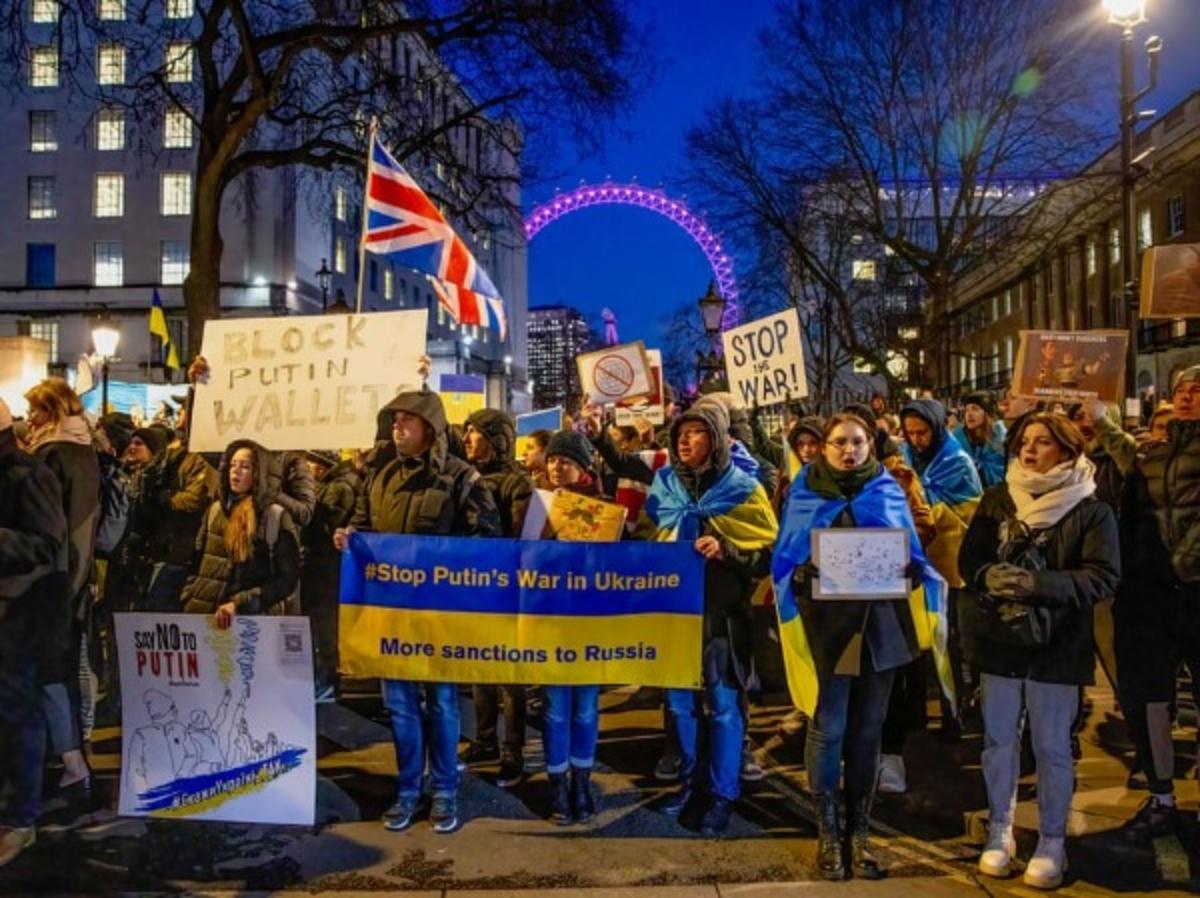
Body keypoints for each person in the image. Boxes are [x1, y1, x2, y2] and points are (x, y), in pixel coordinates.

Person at [771, 413, 946, 880]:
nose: (848, 450)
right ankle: (828, 833)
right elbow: (784, 558)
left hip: (881, 626)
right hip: (826, 626)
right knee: (828, 726)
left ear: (870, 444)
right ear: (823, 448)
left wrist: (911, 568)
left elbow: (913, 548)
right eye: (838, 443)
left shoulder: (887, 489)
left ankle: (861, 834)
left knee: (869, 729)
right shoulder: (805, 492)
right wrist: (807, 573)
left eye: (856, 442)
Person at [959, 413, 1118, 889]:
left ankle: (1053, 841)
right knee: (999, 741)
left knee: (1051, 747)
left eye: (1042, 443)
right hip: (1001, 641)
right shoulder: (998, 497)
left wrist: (1037, 584)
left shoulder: (1091, 508)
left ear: (1067, 451)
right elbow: (971, 558)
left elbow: (1103, 576)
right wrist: (988, 576)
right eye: (1024, 442)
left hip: (1057, 643)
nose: (1029, 451)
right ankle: (1000, 832)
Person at [334, 389, 500, 835]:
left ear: (429, 428)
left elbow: (486, 540)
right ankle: (409, 789)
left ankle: (445, 790)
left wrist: (444, 565)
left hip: (439, 617)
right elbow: (364, 524)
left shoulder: (462, 478)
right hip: (391, 615)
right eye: (394, 421)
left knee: (443, 703)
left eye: (407, 421)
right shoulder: (379, 476)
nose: (398, 428)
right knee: (402, 707)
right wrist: (350, 537)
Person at [644, 401, 778, 836]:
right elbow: (650, 537)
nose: (685, 440)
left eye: (697, 432)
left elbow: (768, 555)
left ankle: (722, 794)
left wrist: (726, 549)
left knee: (722, 706)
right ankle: (689, 783)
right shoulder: (663, 485)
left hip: (722, 615)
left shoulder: (743, 488)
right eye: (681, 432)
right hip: (674, 614)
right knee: (680, 705)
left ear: (717, 441)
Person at [1114, 365, 1200, 843]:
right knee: (1148, 698)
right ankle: (1160, 795)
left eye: (1197, 391)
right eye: (1181, 390)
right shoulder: (1150, 454)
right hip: (1149, 595)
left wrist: (1181, 561)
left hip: (1192, 588)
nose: (1187, 397)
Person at [24, 377, 100, 802]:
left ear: (51, 412)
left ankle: (69, 762)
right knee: (66, 671)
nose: (30, 418)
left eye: (35, 410)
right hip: (76, 581)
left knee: (46, 674)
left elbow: (46, 529)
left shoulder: (51, 456)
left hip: (50, 584)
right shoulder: (85, 452)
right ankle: (75, 758)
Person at [0, 398, 67, 867]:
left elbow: (47, 545)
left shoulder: (29, 474)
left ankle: (21, 820)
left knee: (17, 716)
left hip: (15, 618)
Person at [900, 399, 983, 734]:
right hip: (915, 562)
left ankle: (955, 713)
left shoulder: (958, 463)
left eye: (922, 432)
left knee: (950, 641)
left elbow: (971, 515)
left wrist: (933, 510)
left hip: (950, 566)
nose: (917, 439)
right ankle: (916, 712)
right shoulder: (903, 462)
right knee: (916, 640)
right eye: (910, 433)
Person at [538, 430, 610, 824]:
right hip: (550, 622)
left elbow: (621, 565)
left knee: (584, 708)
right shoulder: (536, 506)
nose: (555, 466)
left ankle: (582, 782)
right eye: (551, 460)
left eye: (564, 460)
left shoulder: (602, 507)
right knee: (555, 711)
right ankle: (557, 788)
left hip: (589, 622)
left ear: (582, 468)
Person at [460, 409, 533, 788]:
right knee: (479, 669)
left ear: (497, 439)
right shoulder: (462, 477)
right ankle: (485, 739)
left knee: (509, 677)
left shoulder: (516, 484)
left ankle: (513, 750)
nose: (468, 439)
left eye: (476, 433)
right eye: (466, 432)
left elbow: (520, 536)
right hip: (474, 588)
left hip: (505, 589)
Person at [179, 440, 301, 628]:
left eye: (244, 467)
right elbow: (196, 561)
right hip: (204, 617)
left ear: (259, 474)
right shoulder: (214, 511)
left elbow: (286, 579)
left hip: (251, 624)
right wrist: (189, 594)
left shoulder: (274, 517)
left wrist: (242, 603)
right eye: (232, 466)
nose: (235, 471)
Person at [124, 429, 218, 612]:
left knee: (160, 604)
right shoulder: (145, 467)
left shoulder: (192, 462)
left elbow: (196, 499)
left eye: (139, 443)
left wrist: (166, 498)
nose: (132, 448)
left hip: (176, 548)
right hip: (150, 548)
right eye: (132, 443)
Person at [300, 450, 361, 702]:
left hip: (326, 568)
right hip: (325, 568)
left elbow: (323, 528)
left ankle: (327, 683)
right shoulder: (334, 484)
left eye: (310, 462)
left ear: (321, 465)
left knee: (326, 628)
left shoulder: (339, 488)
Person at [954, 392, 1006, 489]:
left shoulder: (999, 437)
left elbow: (1001, 471)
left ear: (987, 412)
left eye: (975, 409)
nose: (969, 414)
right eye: (966, 411)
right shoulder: (959, 438)